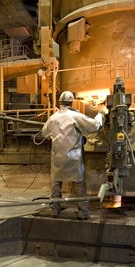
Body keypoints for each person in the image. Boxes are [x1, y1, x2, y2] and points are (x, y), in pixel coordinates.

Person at [41, 91, 103, 220]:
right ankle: (83, 212)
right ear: (72, 102)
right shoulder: (75, 116)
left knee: (56, 184)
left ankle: (55, 210)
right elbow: (95, 126)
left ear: (60, 102)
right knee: (79, 185)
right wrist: (100, 114)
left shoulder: (53, 117)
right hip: (73, 158)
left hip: (58, 157)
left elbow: (44, 133)